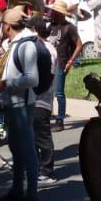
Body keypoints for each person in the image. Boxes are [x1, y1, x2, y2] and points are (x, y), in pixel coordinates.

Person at [0, 7, 47, 201]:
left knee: (27, 150)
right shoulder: (16, 43)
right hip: (13, 103)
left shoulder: (27, 46)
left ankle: (32, 195)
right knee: (16, 149)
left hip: (22, 105)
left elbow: (32, 78)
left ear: (7, 26)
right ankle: (17, 190)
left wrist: (5, 83)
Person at [48, 0, 83, 131]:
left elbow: (79, 45)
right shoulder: (50, 26)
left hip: (60, 62)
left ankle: (60, 120)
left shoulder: (69, 27)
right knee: (48, 92)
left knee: (59, 93)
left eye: (54, 12)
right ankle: (47, 116)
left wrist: (70, 62)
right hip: (48, 62)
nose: (52, 14)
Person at [31, 18, 58, 180]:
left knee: (43, 136)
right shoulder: (41, 46)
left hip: (42, 99)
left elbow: (49, 75)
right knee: (34, 136)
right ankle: (36, 167)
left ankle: (48, 172)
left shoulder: (47, 49)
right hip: (36, 98)